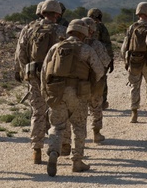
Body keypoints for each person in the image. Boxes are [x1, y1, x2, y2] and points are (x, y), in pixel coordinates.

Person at [41, 19, 105, 176]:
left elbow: (44, 71)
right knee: (78, 126)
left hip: (56, 91)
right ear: (83, 33)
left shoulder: (56, 47)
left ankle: (53, 152)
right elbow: (99, 71)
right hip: (79, 92)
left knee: (57, 125)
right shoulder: (86, 49)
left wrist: (46, 92)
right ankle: (77, 161)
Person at [14, 0, 66, 164]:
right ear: (57, 14)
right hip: (56, 79)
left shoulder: (29, 29)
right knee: (58, 113)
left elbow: (20, 53)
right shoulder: (62, 30)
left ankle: (36, 150)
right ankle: (59, 147)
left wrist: (23, 72)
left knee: (37, 113)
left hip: (34, 76)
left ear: (42, 12)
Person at [121, 2, 147, 123]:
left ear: (138, 13)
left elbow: (125, 46)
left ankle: (134, 112)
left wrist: (126, 61)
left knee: (134, 87)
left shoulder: (132, 27)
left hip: (134, 60)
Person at [82, 16, 112, 144]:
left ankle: (80, 137)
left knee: (80, 111)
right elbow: (105, 61)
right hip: (95, 81)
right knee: (96, 107)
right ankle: (96, 133)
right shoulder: (96, 44)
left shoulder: (74, 43)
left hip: (78, 83)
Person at [87, 8, 114, 109]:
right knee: (101, 79)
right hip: (98, 58)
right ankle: (102, 102)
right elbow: (107, 44)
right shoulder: (101, 26)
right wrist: (110, 60)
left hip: (84, 57)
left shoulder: (82, 24)